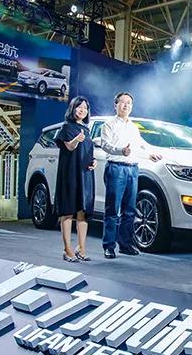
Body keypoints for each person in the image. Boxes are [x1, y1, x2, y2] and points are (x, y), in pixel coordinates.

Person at [101, 92, 162, 259]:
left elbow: (139, 145)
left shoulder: (133, 127)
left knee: (129, 210)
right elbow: (105, 145)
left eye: (129, 103)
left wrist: (150, 154)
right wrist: (121, 151)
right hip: (116, 168)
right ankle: (109, 246)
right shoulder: (108, 124)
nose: (126, 105)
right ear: (116, 105)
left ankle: (125, 244)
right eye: (123, 102)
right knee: (112, 210)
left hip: (133, 169)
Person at [54, 96, 96, 262]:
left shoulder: (87, 130)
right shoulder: (66, 127)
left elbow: (89, 151)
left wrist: (93, 162)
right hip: (70, 173)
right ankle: (67, 249)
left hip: (85, 174)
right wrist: (76, 140)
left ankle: (81, 248)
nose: (82, 110)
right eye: (79, 107)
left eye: (85, 108)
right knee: (67, 211)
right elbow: (69, 147)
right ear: (73, 108)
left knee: (83, 213)